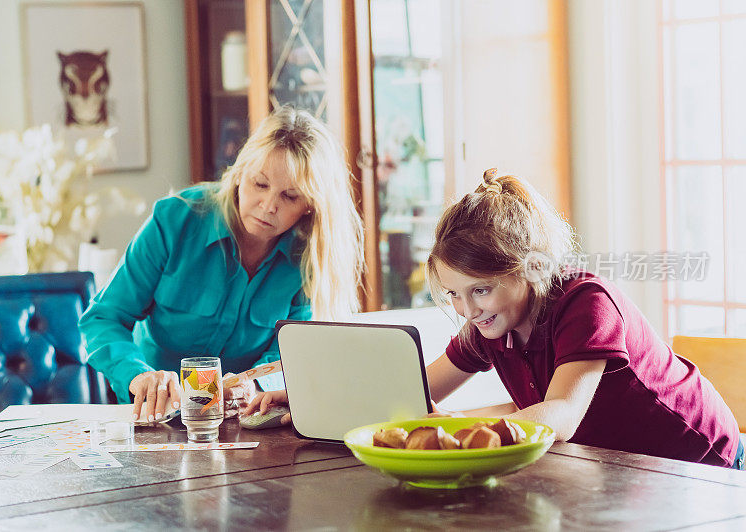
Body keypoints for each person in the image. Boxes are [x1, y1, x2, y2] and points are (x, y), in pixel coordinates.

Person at [422, 168, 742, 468]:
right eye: (453, 294)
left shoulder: (587, 304)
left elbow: (563, 412)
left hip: (705, 460)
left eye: (481, 289)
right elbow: (417, 391)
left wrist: (463, 431)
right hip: (626, 467)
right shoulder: (488, 322)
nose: (467, 310)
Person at [79, 106, 365, 422]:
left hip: (244, 421)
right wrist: (138, 376)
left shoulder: (310, 254)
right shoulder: (175, 221)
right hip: (154, 416)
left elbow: (294, 351)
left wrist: (254, 383)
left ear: (310, 207)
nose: (269, 206)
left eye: (290, 196)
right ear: (240, 172)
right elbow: (103, 318)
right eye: (260, 184)